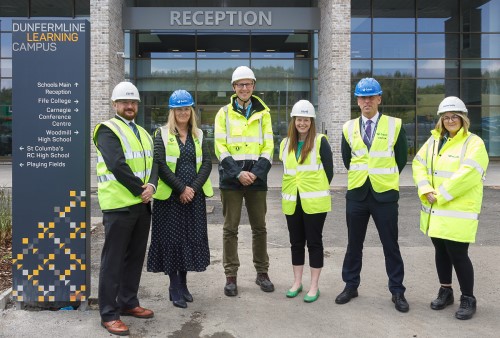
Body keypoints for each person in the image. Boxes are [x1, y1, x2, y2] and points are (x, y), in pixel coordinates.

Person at [335, 77, 410, 313]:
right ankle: (351, 285)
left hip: (385, 196)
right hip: (357, 195)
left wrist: (381, 178)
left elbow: (400, 159)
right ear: (357, 101)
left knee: (391, 245)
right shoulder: (348, 128)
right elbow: (349, 160)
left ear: (379, 99)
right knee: (353, 244)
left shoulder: (395, 125)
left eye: (371, 97)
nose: (367, 101)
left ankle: (397, 290)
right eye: (362, 97)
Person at [412, 96, 489, 320]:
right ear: (441, 120)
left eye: (454, 116)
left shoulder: (474, 143)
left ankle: (468, 298)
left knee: (458, 254)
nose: (450, 120)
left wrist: (440, 194)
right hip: (435, 209)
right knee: (441, 251)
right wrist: (425, 188)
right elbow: (418, 164)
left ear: (463, 118)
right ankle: (446, 290)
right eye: (446, 117)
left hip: (457, 211)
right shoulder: (435, 141)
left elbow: (469, 175)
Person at [93, 81, 158, 336]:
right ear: (115, 104)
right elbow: (117, 164)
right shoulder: (107, 130)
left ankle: (129, 303)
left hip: (141, 206)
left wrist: (151, 184)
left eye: (133, 102)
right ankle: (109, 313)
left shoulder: (143, 132)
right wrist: (140, 190)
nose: (129, 106)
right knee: (113, 261)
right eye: (124, 102)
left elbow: (154, 162)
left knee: (134, 258)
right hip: (119, 205)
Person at [147, 90, 213, 309]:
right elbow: (161, 164)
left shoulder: (199, 135)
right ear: (172, 112)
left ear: (191, 111)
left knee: (188, 240)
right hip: (170, 199)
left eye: (186, 108)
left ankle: (184, 285)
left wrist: (192, 189)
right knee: (172, 241)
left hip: (193, 198)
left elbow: (206, 164)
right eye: (179, 109)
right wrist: (181, 189)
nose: (183, 112)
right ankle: (174, 286)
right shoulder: (162, 135)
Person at [214, 66, 274, 296]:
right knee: (230, 229)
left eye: (248, 84)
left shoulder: (264, 113)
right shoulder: (223, 114)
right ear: (233, 87)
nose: (244, 88)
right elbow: (220, 147)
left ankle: (262, 273)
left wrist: (256, 173)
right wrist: (238, 173)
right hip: (231, 180)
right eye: (240, 84)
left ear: (254, 86)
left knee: (260, 228)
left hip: (257, 181)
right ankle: (231, 276)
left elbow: (269, 147)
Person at [279, 100, 333, 303]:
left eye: (306, 120)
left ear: (312, 121)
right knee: (296, 243)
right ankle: (297, 282)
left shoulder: (320, 142)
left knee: (314, 243)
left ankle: (314, 286)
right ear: (293, 121)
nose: (302, 123)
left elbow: (329, 172)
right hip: (292, 201)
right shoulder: (285, 144)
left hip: (314, 203)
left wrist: (315, 189)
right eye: (299, 119)